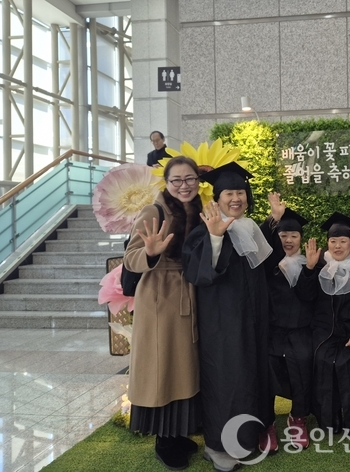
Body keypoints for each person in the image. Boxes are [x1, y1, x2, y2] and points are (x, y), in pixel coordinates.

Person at [182, 162, 272, 472]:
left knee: (252, 374)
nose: (236, 199)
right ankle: (217, 446)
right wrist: (216, 238)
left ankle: (248, 437)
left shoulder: (249, 227)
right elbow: (200, 274)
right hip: (223, 322)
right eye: (229, 194)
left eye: (241, 193)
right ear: (217, 198)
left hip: (253, 319)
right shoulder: (204, 230)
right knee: (226, 378)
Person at [123, 156, 202, 471]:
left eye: (190, 179)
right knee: (161, 367)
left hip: (189, 292)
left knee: (183, 367)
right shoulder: (153, 211)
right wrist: (150, 252)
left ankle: (177, 433)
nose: (184, 186)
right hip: (160, 297)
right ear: (167, 183)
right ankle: (163, 442)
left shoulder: (198, 210)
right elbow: (130, 258)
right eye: (176, 180)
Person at [296, 212, 350, 434]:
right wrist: (309, 269)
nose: (337, 246)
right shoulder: (319, 264)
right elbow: (306, 297)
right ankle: (329, 421)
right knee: (323, 360)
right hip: (325, 331)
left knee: (349, 362)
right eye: (333, 241)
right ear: (327, 243)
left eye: (343, 241)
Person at [258, 193, 314, 452]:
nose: (289, 240)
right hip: (272, 330)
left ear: (301, 238)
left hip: (300, 331)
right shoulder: (266, 265)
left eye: (294, 235)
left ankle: (298, 416)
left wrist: (310, 271)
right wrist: (273, 218)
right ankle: (266, 423)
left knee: (303, 364)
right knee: (267, 370)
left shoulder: (311, 263)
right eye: (283, 235)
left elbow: (311, 298)